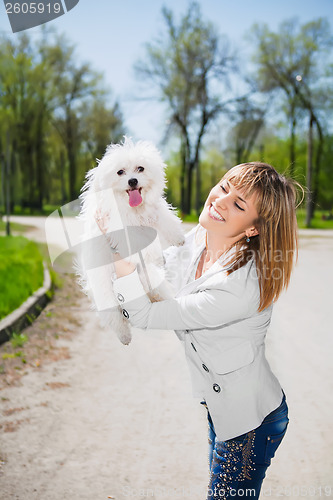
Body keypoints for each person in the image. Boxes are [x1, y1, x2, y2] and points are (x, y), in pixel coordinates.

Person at [96, 162, 300, 499]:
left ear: (253, 229)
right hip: (222, 408)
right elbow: (155, 265)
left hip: (250, 425)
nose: (220, 201)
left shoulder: (240, 286)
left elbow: (146, 314)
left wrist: (115, 252)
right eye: (223, 187)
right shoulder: (201, 237)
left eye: (238, 204)